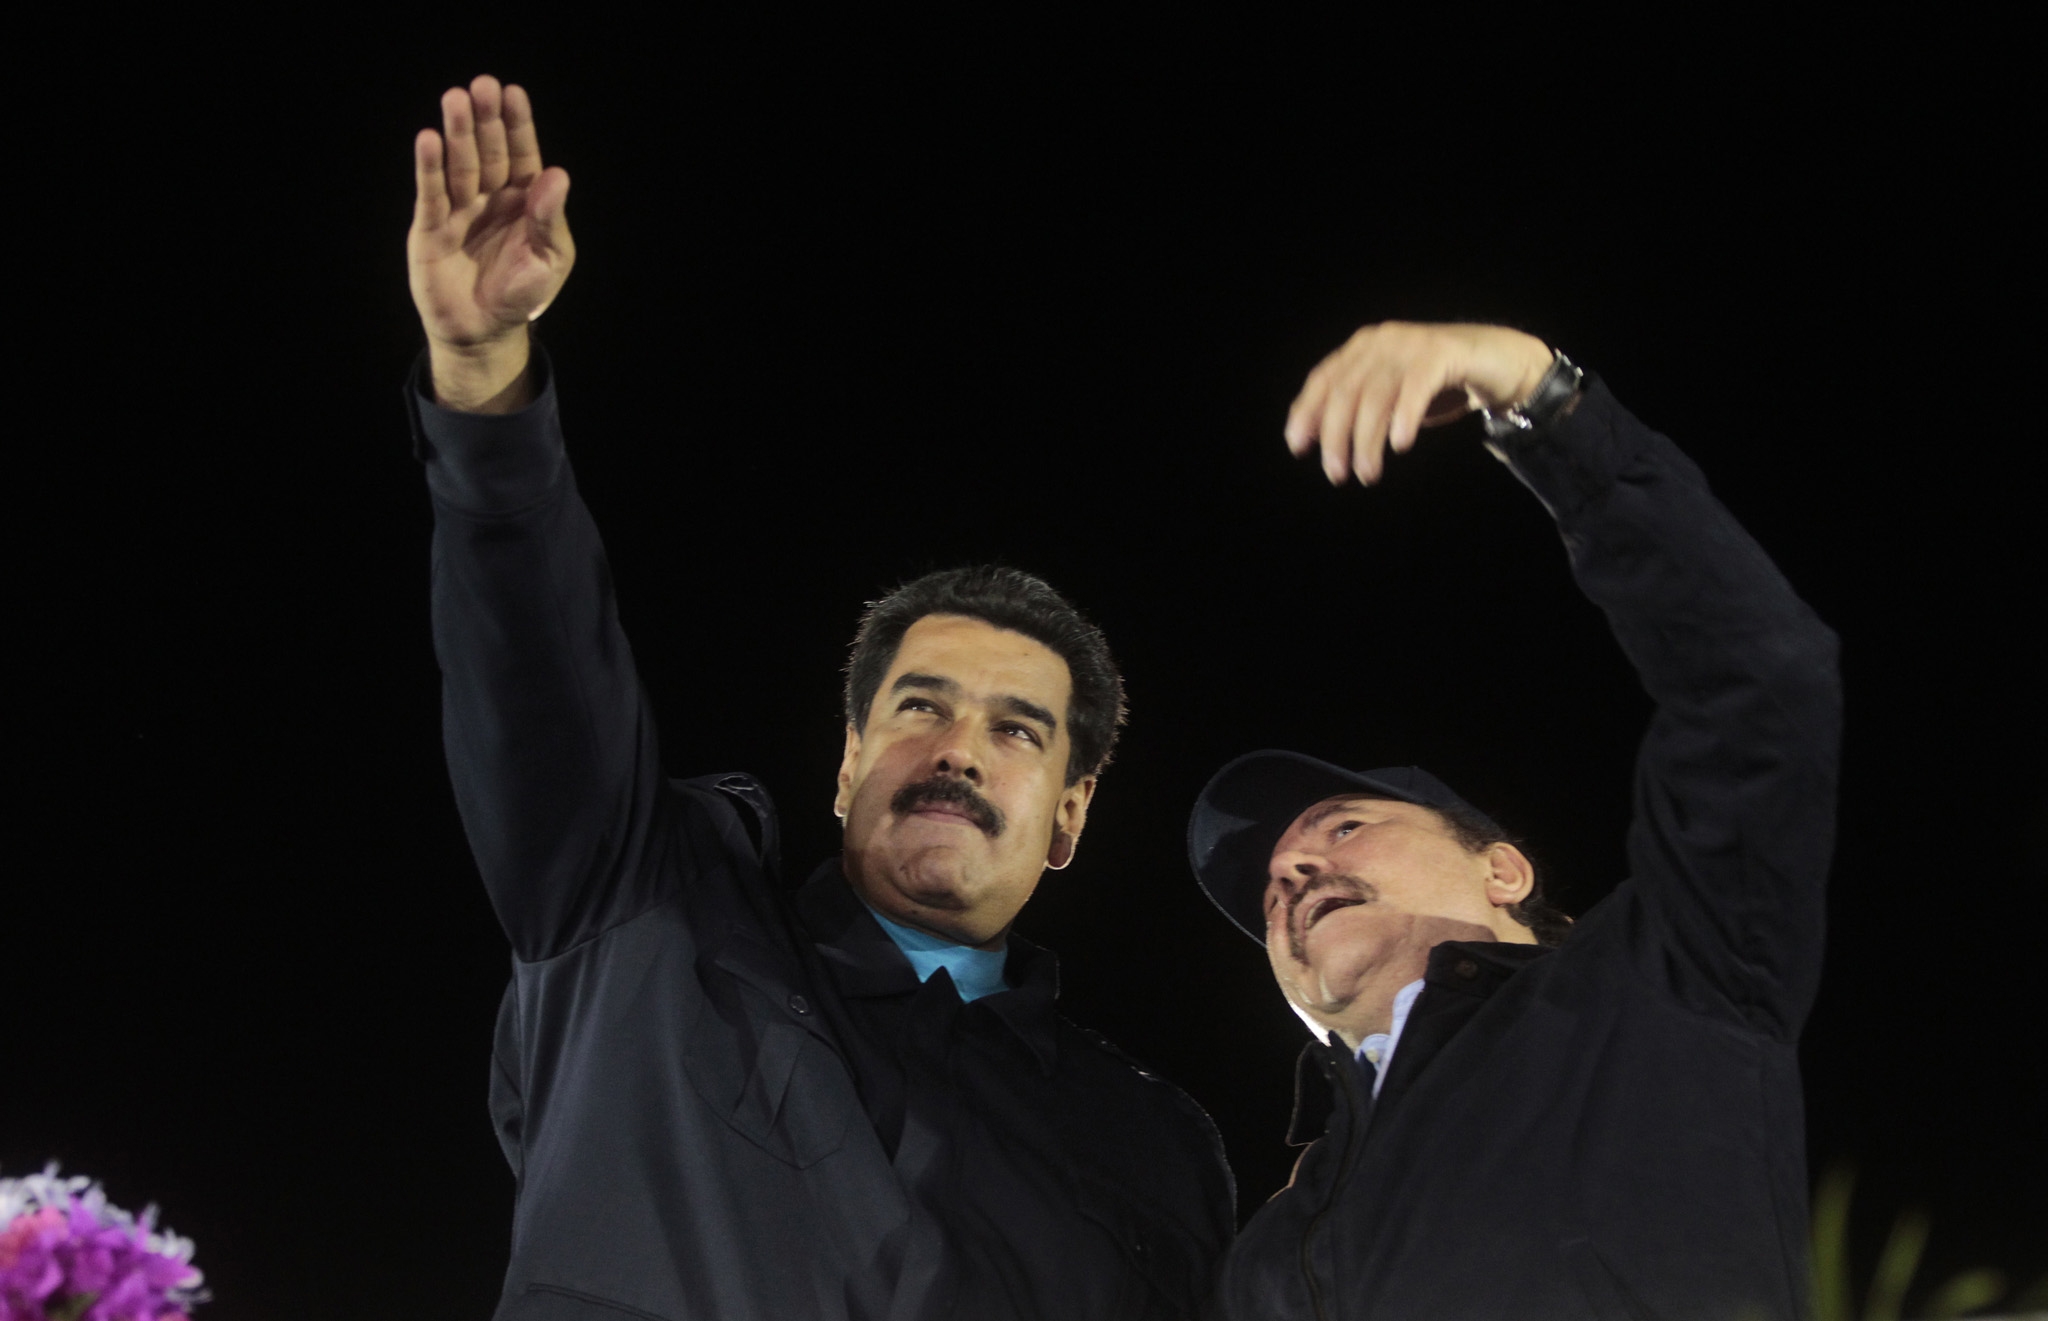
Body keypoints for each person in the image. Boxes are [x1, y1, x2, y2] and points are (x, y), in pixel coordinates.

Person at [404, 75, 1233, 1321]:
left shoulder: (1159, 1145)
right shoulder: (643, 910)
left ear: (1067, 816)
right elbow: (535, 674)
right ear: (844, 765)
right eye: (918, 707)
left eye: (1016, 731)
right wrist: (483, 380)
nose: (957, 749)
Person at [1186, 322, 1840, 1319]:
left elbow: (1756, 681)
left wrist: (1541, 403)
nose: (1293, 873)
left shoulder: (1664, 979)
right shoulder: (1273, 1246)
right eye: (1272, 886)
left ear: (1502, 870)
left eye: (1342, 826)